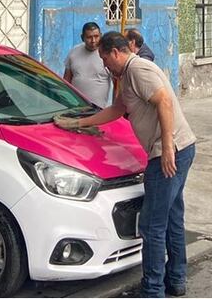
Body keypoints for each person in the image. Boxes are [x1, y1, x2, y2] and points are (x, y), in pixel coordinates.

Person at [55, 32, 196, 298]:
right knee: (172, 218)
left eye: (106, 60)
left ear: (116, 52)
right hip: (181, 148)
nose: (105, 66)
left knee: (152, 226)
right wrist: (77, 124)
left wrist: (166, 148)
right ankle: (175, 280)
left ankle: (153, 290)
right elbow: (117, 109)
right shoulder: (127, 76)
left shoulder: (138, 69)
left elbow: (164, 101)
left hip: (168, 153)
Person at [63, 22, 112, 108]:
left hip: (99, 110)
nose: (93, 41)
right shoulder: (74, 52)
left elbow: (117, 84)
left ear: (101, 35)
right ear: (82, 38)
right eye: (89, 37)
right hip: (75, 108)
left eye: (96, 36)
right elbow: (66, 80)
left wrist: (115, 106)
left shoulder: (107, 55)